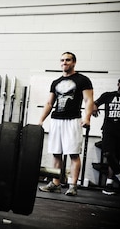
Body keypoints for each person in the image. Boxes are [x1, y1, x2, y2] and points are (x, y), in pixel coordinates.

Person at [38, 52, 94, 196]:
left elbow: (88, 101)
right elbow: (50, 103)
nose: (64, 63)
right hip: (56, 120)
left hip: (73, 120)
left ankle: (73, 185)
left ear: (74, 62)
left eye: (68, 60)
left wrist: (87, 118)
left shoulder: (83, 80)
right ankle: (56, 183)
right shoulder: (56, 82)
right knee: (56, 153)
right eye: (62, 60)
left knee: (73, 154)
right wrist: (41, 120)